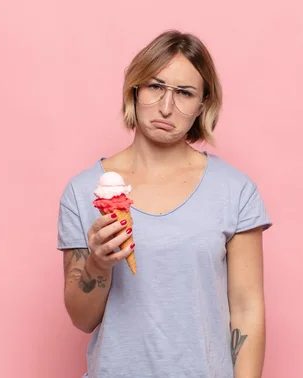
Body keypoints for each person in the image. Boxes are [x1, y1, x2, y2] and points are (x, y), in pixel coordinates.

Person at [57, 29, 273, 378]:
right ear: (135, 89)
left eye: (185, 93)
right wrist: (98, 263)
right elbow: (82, 320)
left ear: (203, 104)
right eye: (155, 86)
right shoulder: (84, 192)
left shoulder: (235, 190)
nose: (166, 106)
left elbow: (247, 310)